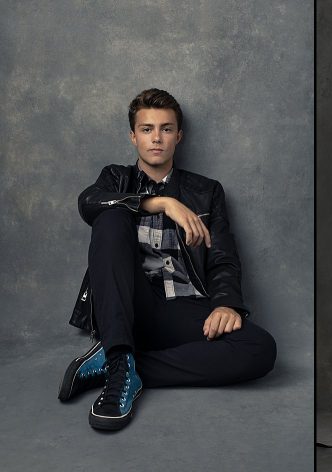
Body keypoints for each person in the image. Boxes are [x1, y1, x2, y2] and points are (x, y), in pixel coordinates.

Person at [59, 89, 277, 431]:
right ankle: (120, 358)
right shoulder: (115, 178)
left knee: (259, 348)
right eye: (146, 129)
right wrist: (159, 203)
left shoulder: (207, 191)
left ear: (179, 135)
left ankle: (120, 364)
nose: (156, 138)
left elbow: (222, 257)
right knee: (112, 217)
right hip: (128, 307)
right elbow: (89, 203)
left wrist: (226, 304)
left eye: (165, 128)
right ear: (133, 136)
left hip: (183, 307)